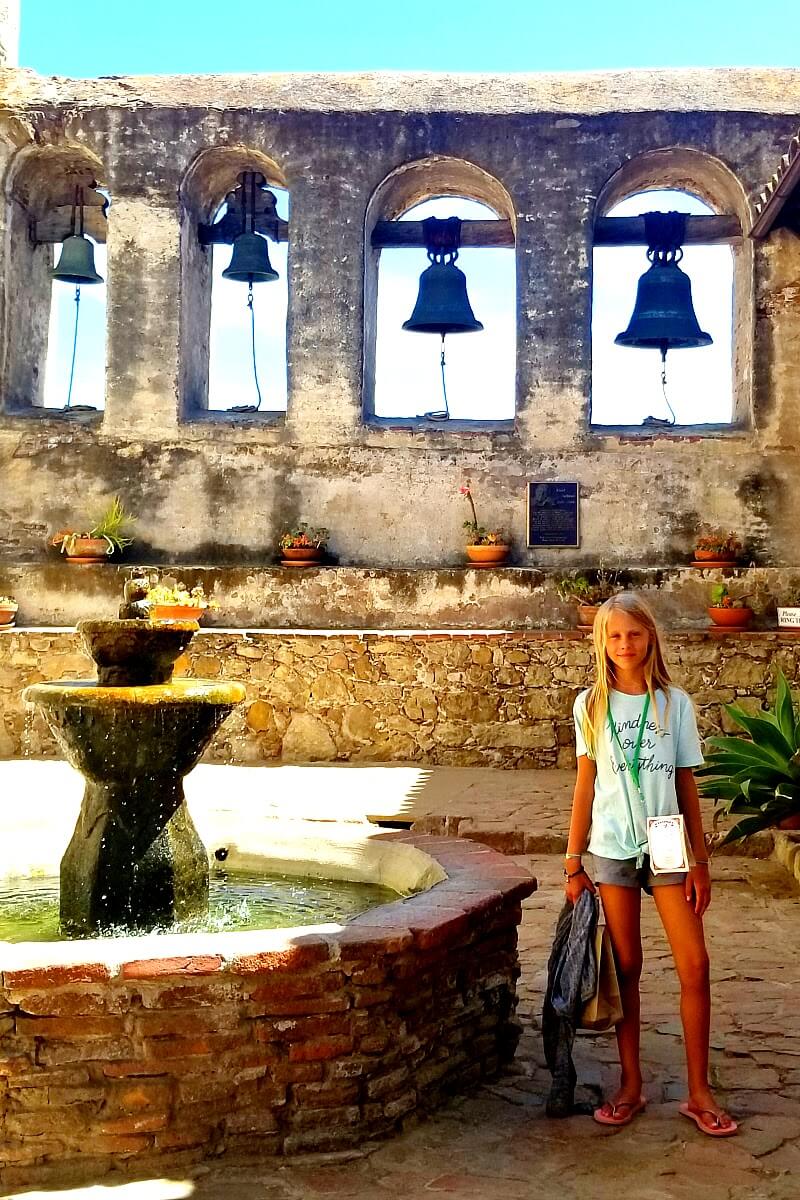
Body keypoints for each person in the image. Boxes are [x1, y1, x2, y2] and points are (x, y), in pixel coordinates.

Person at [564, 591, 738, 1136]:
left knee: (695, 965)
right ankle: (631, 1085)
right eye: (614, 636)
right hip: (612, 847)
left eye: (634, 634)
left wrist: (701, 860)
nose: (625, 645)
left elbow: (686, 782)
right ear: (602, 641)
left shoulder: (674, 704)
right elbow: (586, 783)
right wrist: (573, 861)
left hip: (668, 846)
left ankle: (699, 1091)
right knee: (627, 969)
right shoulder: (590, 705)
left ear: (650, 638)